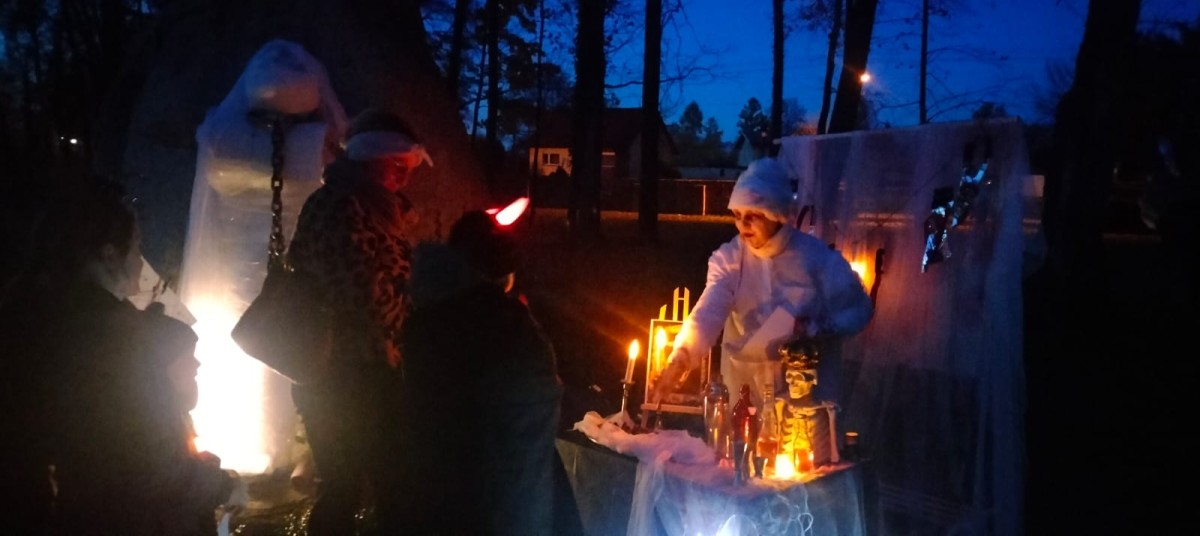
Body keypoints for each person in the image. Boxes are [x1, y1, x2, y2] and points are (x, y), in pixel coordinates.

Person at [0, 179, 236, 535]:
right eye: (137, 246)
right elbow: (148, 464)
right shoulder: (116, 339)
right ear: (110, 254)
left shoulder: (22, 319)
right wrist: (219, 485)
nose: (141, 261)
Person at [285, 107, 433, 534]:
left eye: (407, 168)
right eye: (396, 165)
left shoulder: (377, 209)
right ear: (372, 159)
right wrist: (420, 304)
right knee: (350, 485)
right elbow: (363, 297)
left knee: (383, 484)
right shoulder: (339, 207)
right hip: (342, 374)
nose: (404, 176)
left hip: (371, 371)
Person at [651, 157, 874, 412]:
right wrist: (681, 358)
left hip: (808, 394)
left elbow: (858, 310)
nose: (743, 225)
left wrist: (820, 328)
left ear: (775, 215)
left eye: (753, 216)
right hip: (748, 391)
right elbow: (709, 309)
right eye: (737, 216)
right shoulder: (730, 259)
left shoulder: (816, 258)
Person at [399, 208, 566, 535]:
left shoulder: (423, 314)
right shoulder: (505, 325)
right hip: (498, 501)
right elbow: (529, 423)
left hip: (433, 495)